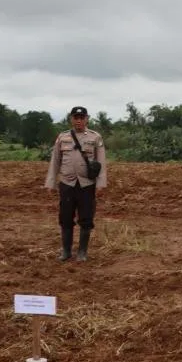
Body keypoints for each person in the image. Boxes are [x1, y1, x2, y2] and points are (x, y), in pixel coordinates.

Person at [44, 105, 108, 261]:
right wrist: (51, 183)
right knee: (65, 218)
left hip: (86, 184)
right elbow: (55, 161)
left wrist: (101, 184)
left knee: (86, 219)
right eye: (75, 118)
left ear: (87, 119)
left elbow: (101, 162)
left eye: (82, 118)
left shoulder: (95, 137)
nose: (78, 121)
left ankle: (82, 252)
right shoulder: (63, 137)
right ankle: (66, 251)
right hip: (67, 184)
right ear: (71, 119)